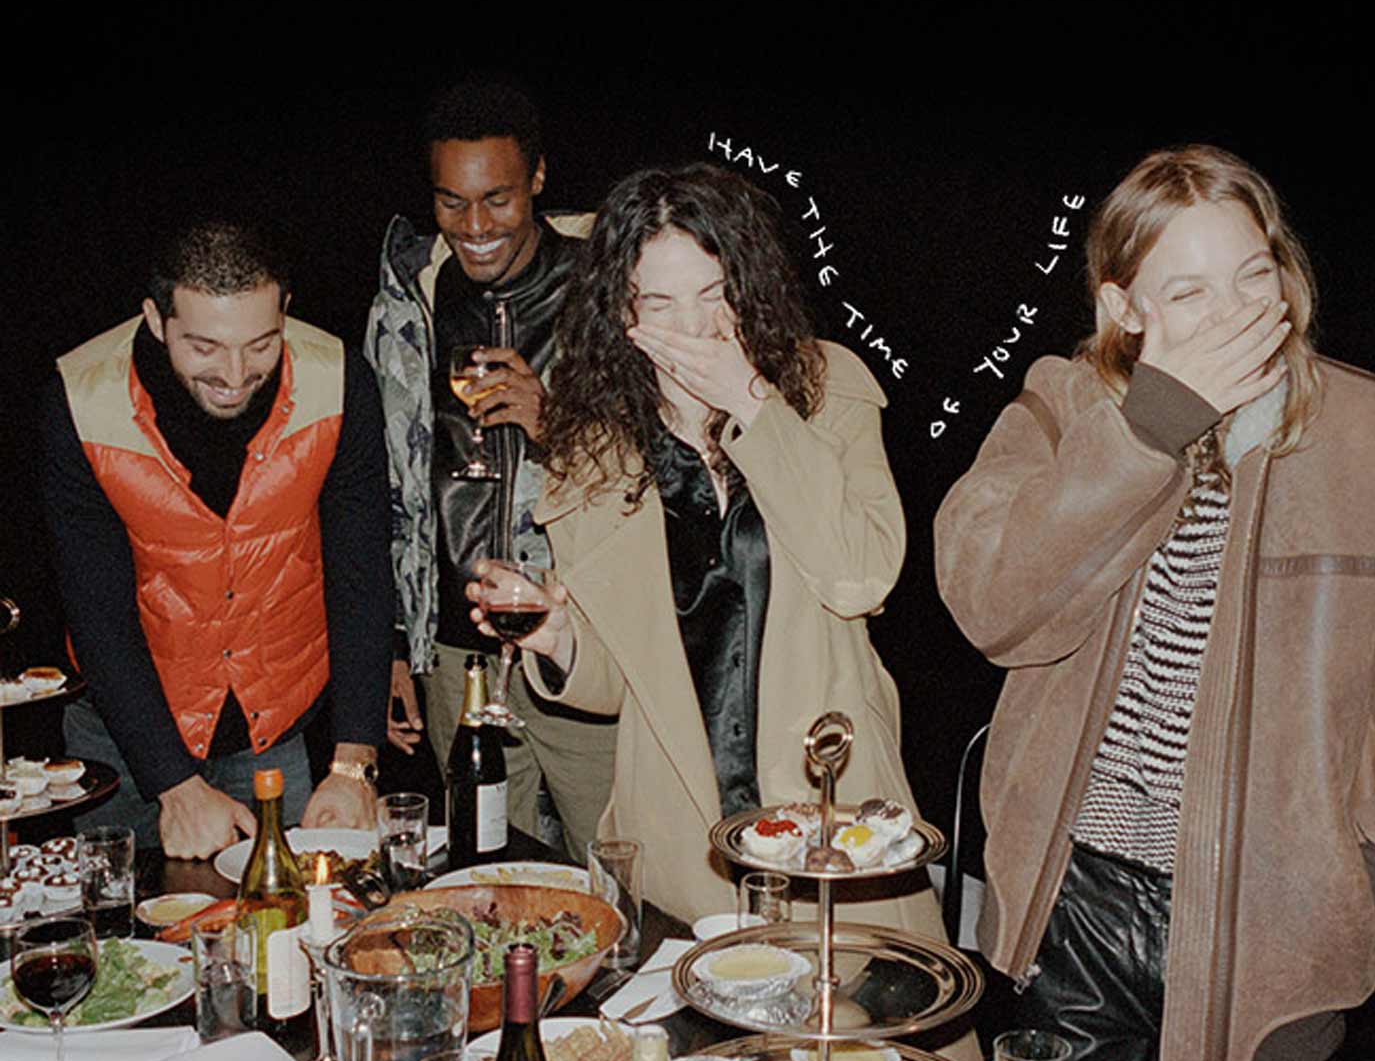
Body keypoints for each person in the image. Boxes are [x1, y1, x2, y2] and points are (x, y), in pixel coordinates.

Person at [935, 144, 1375, 1061]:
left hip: (1272, 923)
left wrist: (1372, 861)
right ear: (1122, 307)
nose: (1233, 312)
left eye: (1252, 273)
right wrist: (1146, 429)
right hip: (1075, 904)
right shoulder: (1061, 409)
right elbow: (992, 606)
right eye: (1187, 291)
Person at [474, 162, 964, 960]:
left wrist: (751, 401)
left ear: (747, 284)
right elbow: (617, 683)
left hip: (831, 809)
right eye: (660, 303)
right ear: (623, 311)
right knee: (705, 1029)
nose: (695, 327)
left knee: (852, 1022)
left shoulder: (826, 391)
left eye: (714, 293)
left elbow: (861, 574)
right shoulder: (594, 455)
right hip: (683, 831)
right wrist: (559, 639)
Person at [40, 221, 392, 858]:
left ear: (285, 312)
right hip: (126, 735)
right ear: (156, 320)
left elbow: (361, 573)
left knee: (287, 918)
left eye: (261, 344)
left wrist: (353, 764)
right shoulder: (79, 398)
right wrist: (174, 785)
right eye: (204, 347)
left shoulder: (340, 379)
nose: (235, 374)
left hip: (272, 732)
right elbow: (97, 612)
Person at [365, 78, 615, 860]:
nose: (474, 226)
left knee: (615, 868)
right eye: (452, 202)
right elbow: (389, 484)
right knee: (488, 870)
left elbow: (666, 472)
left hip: (584, 644)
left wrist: (554, 424)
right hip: (459, 655)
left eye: (497, 199)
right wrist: (396, 643)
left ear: (537, 177)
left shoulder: (610, 294)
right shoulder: (408, 301)